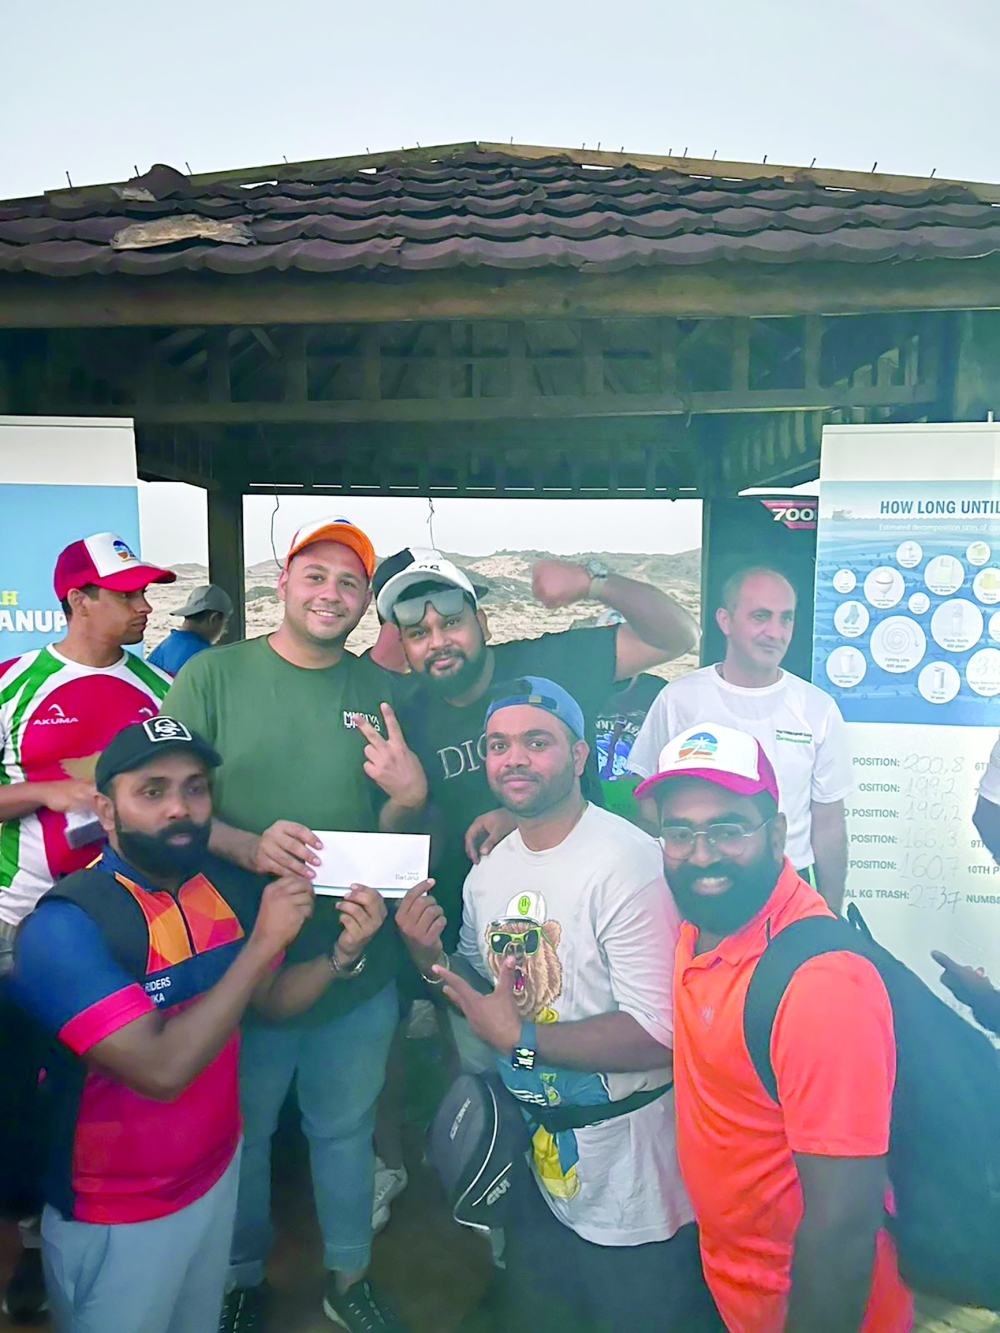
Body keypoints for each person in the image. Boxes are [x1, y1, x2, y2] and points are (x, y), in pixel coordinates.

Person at [9, 716, 377, 1333]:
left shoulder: (218, 892)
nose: (180, 807)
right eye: (152, 791)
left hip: (216, 1173)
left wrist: (343, 954)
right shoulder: (65, 927)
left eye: (195, 787)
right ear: (106, 808)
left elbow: (273, 1000)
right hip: (115, 1212)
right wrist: (263, 942)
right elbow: (162, 1070)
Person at [163, 517, 426, 1333]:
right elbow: (161, 802)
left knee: (344, 1131)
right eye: (317, 575)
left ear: (364, 604)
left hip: (353, 960)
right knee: (239, 1136)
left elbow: (389, 833)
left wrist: (407, 796)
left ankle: (348, 1278)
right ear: (283, 578)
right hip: (235, 962)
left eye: (350, 583)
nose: (331, 594)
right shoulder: (213, 675)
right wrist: (246, 842)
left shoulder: (374, 693)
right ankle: (241, 1278)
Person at [396, 677, 720, 1333]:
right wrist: (421, 950)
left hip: (636, 1179)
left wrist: (522, 1037)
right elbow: (474, 993)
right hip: (540, 1163)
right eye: (498, 744)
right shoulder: (489, 875)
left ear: (577, 756)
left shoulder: (628, 863)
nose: (514, 757)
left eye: (536, 742)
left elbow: (663, 1033)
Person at [635, 722, 913, 1333]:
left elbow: (844, 1223)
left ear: (779, 833)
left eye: (728, 829)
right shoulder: (701, 924)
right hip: (733, 1287)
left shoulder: (821, 986)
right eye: (679, 832)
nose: (701, 854)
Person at [0, 530, 175, 1322]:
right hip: (17, 925)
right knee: (16, 1087)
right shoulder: (16, 683)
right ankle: (23, 1247)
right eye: (129, 593)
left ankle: (81, 1233)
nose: (145, 606)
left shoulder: (155, 683)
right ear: (80, 599)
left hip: (122, 922)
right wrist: (46, 792)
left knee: (99, 1084)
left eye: (146, 591)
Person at [380, 548, 699, 958]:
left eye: (452, 622)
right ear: (404, 648)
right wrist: (410, 801)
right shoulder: (404, 716)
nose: (439, 642)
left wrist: (593, 582)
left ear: (483, 624)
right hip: (474, 942)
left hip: (588, 924)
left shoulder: (550, 664)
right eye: (419, 633)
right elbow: (407, 841)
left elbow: (678, 636)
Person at [628, 565, 852, 910]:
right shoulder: (680, 699)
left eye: (786, 618)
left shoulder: (817, 708)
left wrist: (831, 914)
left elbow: (829, 823)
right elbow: (645, 801)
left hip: (788, 889)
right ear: (725, 620)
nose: (775, 632)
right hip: (700, 880)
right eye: (761, 616)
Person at [148, 584, 234, 676]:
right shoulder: (205, 656)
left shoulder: (165, 646)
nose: (225, 630)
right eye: (225, 623)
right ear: (214, 619)